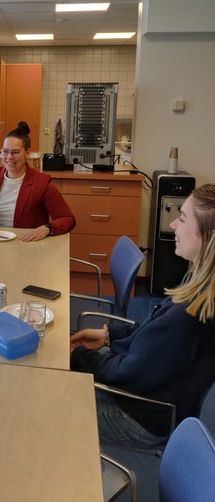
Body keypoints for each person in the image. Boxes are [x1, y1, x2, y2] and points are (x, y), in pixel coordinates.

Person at [70, 183, 215, 447]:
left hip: (141, 416)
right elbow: (155, 333)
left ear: (207, 237)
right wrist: (109, 336)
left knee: (50, 401)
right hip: (154, 397)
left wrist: (80, 357)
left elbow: (127, 374)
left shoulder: (187, 317)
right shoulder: (201, 292)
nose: (173, 225)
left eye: (182, 218)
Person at [0, 121, 75, 241]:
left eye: (15, 152)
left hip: (25, 242)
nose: (9, 157)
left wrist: (47, 228)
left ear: (27, 153)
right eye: (5, 151)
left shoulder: (41, 183)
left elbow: (68, 219)